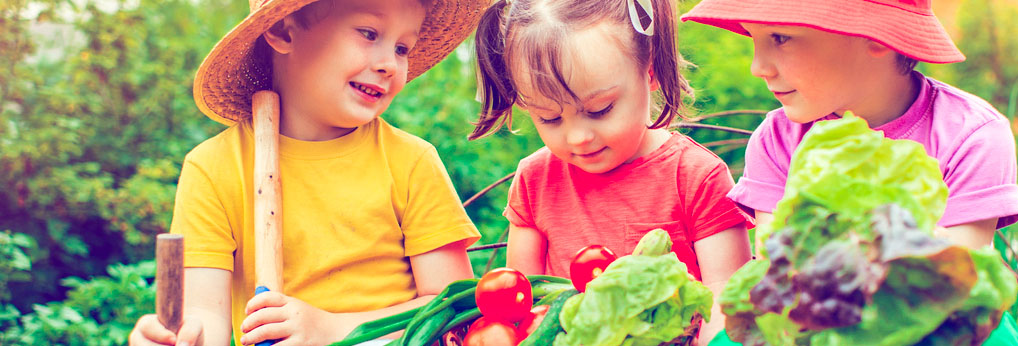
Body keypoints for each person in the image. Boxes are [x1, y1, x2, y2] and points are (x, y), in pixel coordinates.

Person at [128, 0, 485, 344]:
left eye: (403, 48)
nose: (389, 63)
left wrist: (332, 328)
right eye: (369, 33)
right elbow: (207, 315)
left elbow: (452, 306)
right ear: (284, 30)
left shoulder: (412, 161)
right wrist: (185, 337)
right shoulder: (213, 168)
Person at [470, 0, 754, 343]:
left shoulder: (697, 177)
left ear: (649, 71)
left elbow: (725, 298)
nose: (578, 137)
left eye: (600, 109)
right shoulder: (535, 179)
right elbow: (523, 307)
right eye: (549, 117)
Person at [682, 0, 1018, 250]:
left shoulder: (971, 135)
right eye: (753, 39)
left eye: (780, 38)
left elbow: (962, 265)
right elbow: (777, 259)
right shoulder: (778, 139)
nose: (758, 67)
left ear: (876, 38)